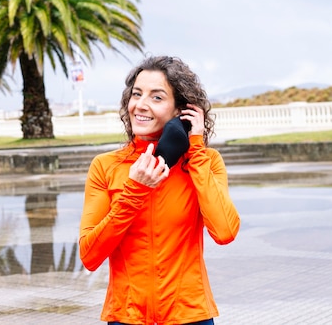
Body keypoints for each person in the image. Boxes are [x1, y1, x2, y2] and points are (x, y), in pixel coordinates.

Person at [79, 56, 240, 325]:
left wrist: (196, 150)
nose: (140, 105)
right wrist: (135, 190)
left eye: (157, 97)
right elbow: (90, 255)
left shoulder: (204, 162)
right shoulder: (106, 166)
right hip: (126, 316)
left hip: (190, 315)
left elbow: (224, 232)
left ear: (181, 111)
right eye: (137, 94)